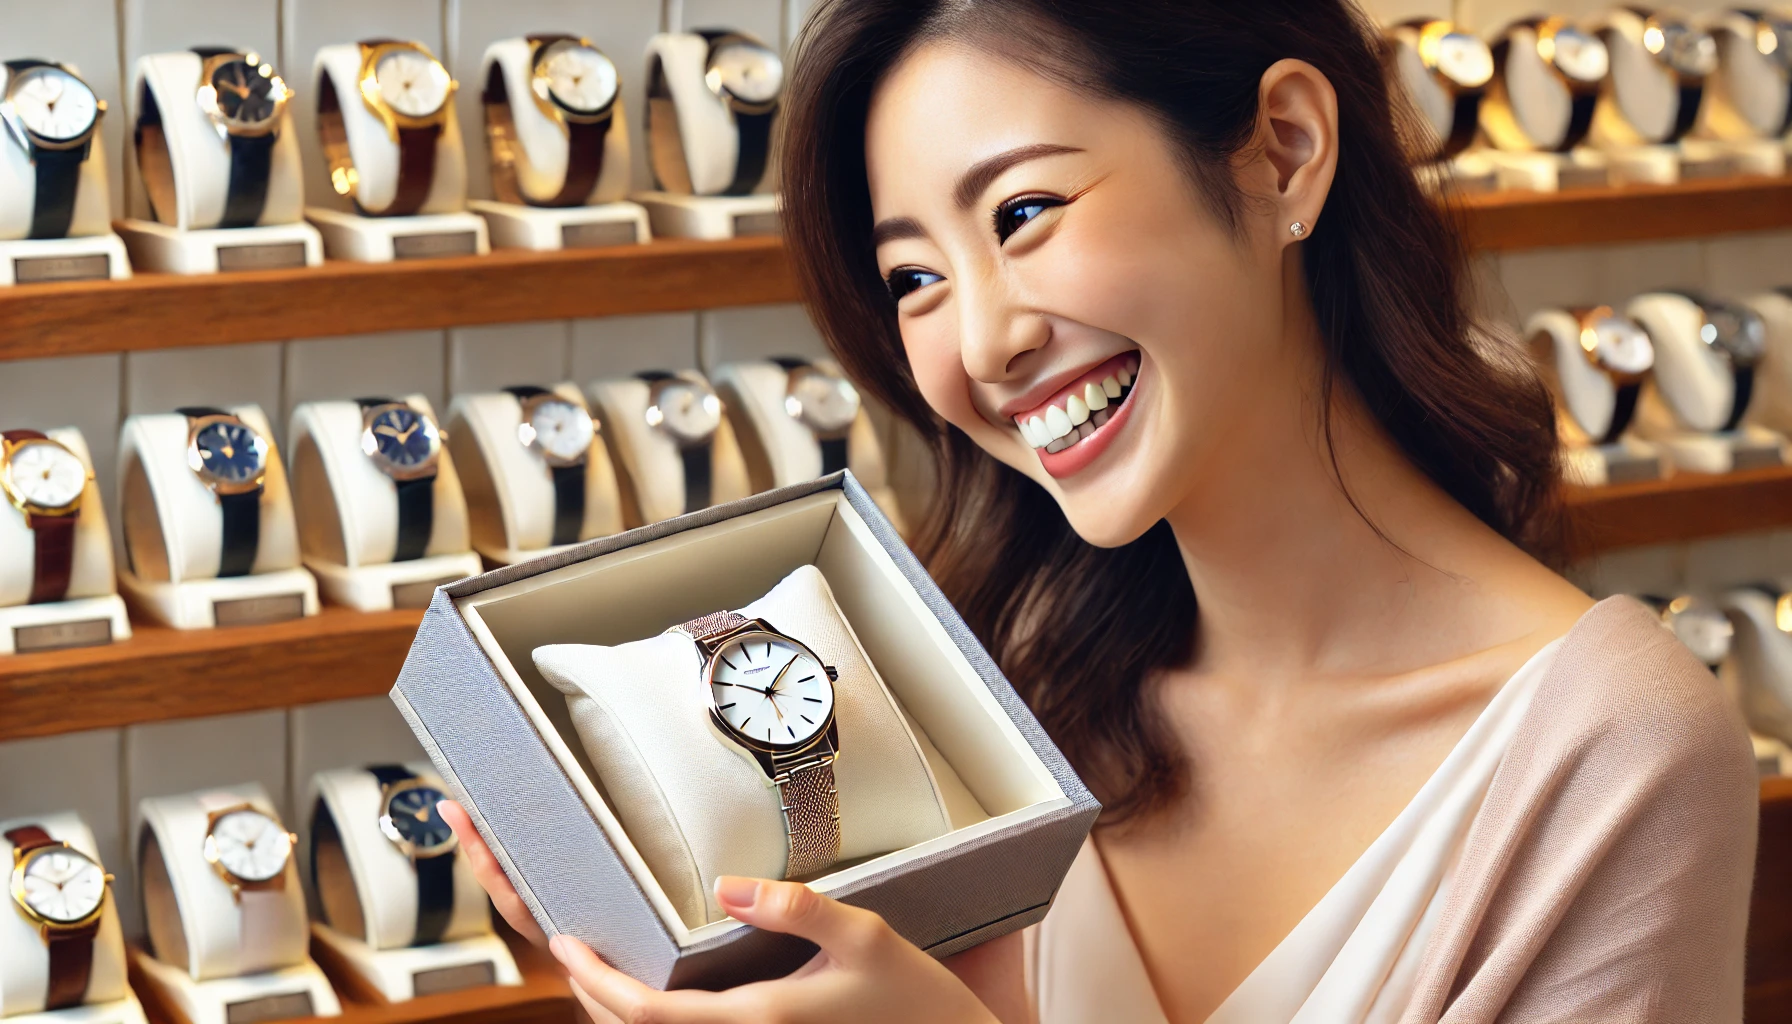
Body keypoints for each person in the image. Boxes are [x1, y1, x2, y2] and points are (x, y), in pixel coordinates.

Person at [441, 1, 1758, 1020]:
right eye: (914, 277)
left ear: (1283, 154)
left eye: (1022, 212)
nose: (982, 344)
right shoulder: (1007, 678)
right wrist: (668, 944)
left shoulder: (1614, 745)